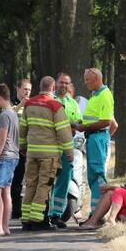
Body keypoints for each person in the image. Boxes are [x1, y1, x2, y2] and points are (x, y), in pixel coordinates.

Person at [19, 76, 74, 229]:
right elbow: (64, 132)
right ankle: (38, 220)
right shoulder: (55, 105)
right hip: (49, 155)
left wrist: (22, 146)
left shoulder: (29, 104)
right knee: (44, 185)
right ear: (54, 88)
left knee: (31, 184)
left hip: (32, 153)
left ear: (39, 87)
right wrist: (69, 153)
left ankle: (26, 219)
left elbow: (22, 128)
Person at [77, 148, 126, 229]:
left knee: (116, 190)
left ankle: (110, 220)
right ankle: (95, 221)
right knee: (110, 193)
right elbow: (125, 191)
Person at [75, 68, 114, 213]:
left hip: (98, 137)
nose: (86, 83)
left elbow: (106, 121)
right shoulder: (95, 95)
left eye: (88, 80)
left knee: (97, 174)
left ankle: (99, 213)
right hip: (93, 137)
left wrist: (84, 127)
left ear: (97, 78)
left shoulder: (104, 95)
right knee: (92, 175)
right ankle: (95, 212)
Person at [47, 72, 83, 228]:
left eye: (66, 83)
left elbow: (79, 122)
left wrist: (74, 125)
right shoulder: (50, 100)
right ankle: (43, 214)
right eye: (60, 82)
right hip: (51, 146)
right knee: (47, 180)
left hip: (68, 146)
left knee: (64, 179)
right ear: (56, 83)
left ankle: (56, 214)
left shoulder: (73, 103)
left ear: (70, 85)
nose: (63, 85)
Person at [0, 84, 19, 236]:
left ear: (0, 97)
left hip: (5, 156)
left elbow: (2, 139)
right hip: (14, 156)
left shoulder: (4, 115)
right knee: (6, 192)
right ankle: (5, 226)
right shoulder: (13, 113)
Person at [10, 78, 32, 220]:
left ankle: (28, 208)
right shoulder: (10, 104)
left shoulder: (32, 104)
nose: (27, 92)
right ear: (17, 89)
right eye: (25, 89)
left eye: (29, 90)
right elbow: (7, 117)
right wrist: (20, 106)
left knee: (30, 180)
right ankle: (15, 209)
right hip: (14, 148)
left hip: (29, 148)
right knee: (15, 181)